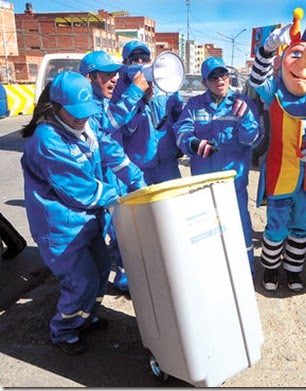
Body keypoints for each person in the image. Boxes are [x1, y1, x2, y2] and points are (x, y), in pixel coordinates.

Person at [20, 71, 146, 355]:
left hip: (87, 221)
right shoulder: (47, 141)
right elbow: (80, 191)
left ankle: (85, 315)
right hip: (61, 228)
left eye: (86, 112)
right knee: (81, 281)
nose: (82, 118)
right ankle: (64, 330)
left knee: (101, 270)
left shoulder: (85, 127)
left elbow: (111, 149)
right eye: (74, 113)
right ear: (55, 108)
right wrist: (123, 195)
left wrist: (135, 176)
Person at [250, 8, 306, 291]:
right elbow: (256, 80)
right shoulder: (275, 92)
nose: (304, 63)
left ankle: (293, 271)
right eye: (296, 55)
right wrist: (266, 50)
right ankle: (270, 269)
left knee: (301, 229)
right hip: (281, 174)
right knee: (276, 228)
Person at [173, 57, 261, 276]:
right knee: (206, 230)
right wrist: (193, 143)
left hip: (233, 183)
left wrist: (246, 120)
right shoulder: (194, 105)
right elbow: (182, 131)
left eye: (223, 75)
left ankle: (245, 271)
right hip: (203, 184)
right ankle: (212, 273)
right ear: (205, 82)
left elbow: (252, 140)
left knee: (240, 228)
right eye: (213, 77)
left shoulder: (242, 103)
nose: (220, 80)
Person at [79, 50, 150, 292]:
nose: (115, 79)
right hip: (97, 181)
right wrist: (135, 92)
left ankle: (124, 279)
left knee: (121, 230)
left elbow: (117, 138)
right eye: (108, 75)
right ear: (90, 77)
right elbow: (108, 124)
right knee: (99, 236)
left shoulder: (103, 99)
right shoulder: (86, 106)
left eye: (116, 74)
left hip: (112, 175)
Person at [113, 40, 184, 185]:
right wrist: (141, 100)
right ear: (125, 63)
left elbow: (178, 115)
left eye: (144, 58)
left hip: (167, 161)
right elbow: (125, 129)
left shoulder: (165, 83)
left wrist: (179, 144)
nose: (140, 62)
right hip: (139, 164)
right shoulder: (119, 90)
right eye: (134, 59)